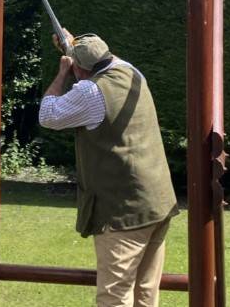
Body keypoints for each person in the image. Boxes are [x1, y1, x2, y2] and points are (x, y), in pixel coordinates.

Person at [39, 32, 178, 307]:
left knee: (114, 297)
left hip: (122, 210)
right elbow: (95, 63)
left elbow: (48, 114)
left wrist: (63, 71)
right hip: (157, 202)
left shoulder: (90, 91)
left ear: (80, 69)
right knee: (146, 294)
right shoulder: (130, 70)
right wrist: (73, 45)